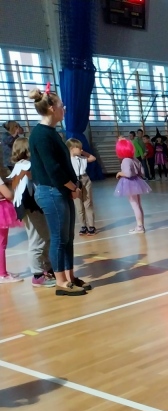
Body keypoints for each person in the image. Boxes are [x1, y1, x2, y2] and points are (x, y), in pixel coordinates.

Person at [27, 86, 88, 296]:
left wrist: (73, 187)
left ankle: (70, 276)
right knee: (59, 238)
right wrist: (73, 187)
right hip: (51, 192)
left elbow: (63, 164)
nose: (65, 109)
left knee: (68, 237)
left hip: (61, 191)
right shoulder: (40, 135)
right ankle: (61, 281)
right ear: (52, 108)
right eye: (62, 105)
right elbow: (53, 169)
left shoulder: (52, 132)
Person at [8, 137, 55, 287]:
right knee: (38, 240)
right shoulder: (27, 166)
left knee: (44, 238)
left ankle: (46, 268)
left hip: (28, 207)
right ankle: (38, 275)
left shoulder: (19, 166)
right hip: (31, 207)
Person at [114, 138, 151, 234]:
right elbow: (142, 172)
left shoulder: (125, 160)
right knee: (138, 205)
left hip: (129, 184)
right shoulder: (135, 159)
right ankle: (141, 226)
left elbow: (128, 174)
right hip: (137, 182)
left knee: (135, 206)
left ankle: (139, 227)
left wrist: (119, 173)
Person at [66, 138, 97, 236]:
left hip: (85, 179)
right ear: (72, 148)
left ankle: (91, 226)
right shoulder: (67, 160)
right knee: (79, 206)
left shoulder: (82, 158)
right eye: (79, 148)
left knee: (88, 203)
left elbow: (93, 158)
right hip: (74, 181)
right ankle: (83, 226)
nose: (81, 149)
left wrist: (83, 152)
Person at [0, 173, 23, 283]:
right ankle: (2, 274)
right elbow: (8, 194)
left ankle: (2, 271)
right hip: (1, 211)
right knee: (1, 243)